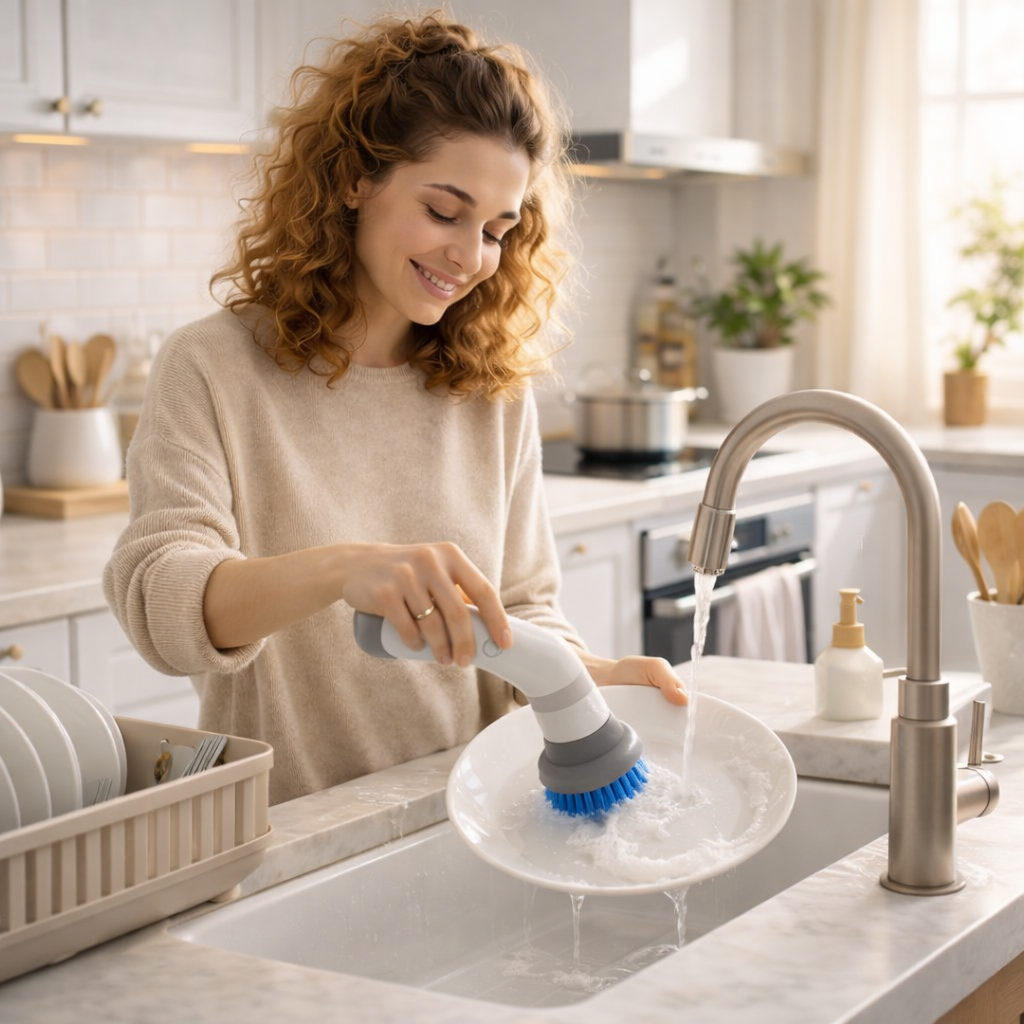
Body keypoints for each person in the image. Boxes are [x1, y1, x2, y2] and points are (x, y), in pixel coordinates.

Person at [103, 10, 687, 805]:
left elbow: (517, 611)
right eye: (444, 212)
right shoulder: (212, 366)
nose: (470, 256)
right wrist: (344, 569)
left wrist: (594, 675)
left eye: (496, 230)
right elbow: (165, 607)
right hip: (293, 830)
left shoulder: (491, 389)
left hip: (473, 812)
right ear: (354, 177)